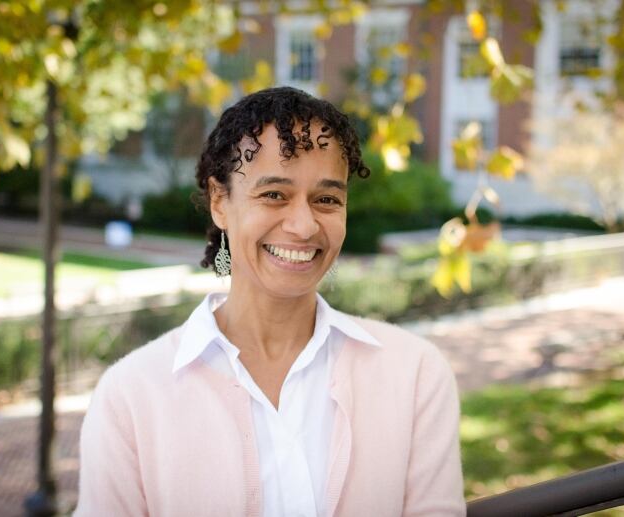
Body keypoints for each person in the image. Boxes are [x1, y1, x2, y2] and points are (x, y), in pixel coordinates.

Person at [75, 87, 465, 517]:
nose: (303, 225)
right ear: (220, 203)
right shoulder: (131, 397)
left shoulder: (416, 375)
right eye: (274, 194)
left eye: (327, 199)